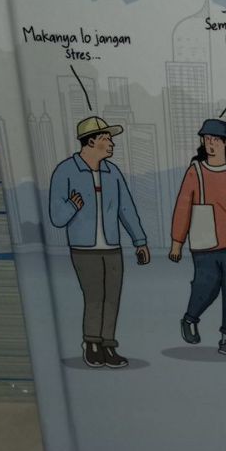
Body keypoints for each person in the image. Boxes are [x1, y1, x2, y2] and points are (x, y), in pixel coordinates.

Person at [49, 115, 150, 368]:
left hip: (113, 248)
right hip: (84, 249)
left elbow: (126, 209)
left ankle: (108, 345)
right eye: (107, 138)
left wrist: (139, 241)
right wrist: (73, 206)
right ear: (91, 141)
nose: (112, 143)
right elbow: (56, 217)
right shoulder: (66, 171)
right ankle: (92, 344)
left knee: (112, 298)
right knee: (94, 297)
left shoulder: (112, 172)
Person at [169, 118, 226, 357]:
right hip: (205, 243)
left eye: (215, 140)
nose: (210, 144)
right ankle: (190, 318)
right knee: (205, 286)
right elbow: (182, 207)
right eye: (206, 139)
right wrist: (177, 242)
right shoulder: (195, 171)